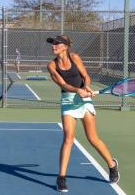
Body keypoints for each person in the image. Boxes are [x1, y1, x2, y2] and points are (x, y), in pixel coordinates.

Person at [46, 35, 120, 192]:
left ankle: (112, 165)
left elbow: (86, 76)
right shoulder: (51, 65)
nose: (53, 46)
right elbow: (63, 84)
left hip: (84, 100)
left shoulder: (75, 58)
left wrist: (86, 87)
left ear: (65, 46)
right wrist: (77, 90)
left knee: (93, 139)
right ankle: (61, 178)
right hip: (68, 100)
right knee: (68, 139)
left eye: (57, 43)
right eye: (52, 44)